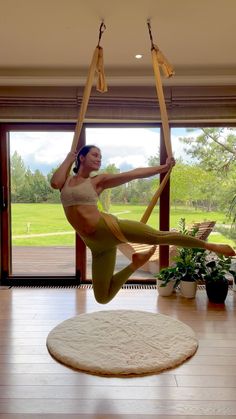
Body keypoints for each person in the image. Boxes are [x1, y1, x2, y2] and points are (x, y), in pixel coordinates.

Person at [51, 144, 235, 304]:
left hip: (109, 228)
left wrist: (163, 167)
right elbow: (55, 182)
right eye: (95, 155)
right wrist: (69, 158)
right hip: (96, 245)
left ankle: (209, 245)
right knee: (102, 297)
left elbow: (133, 174)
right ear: (81, 157)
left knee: (157, 237)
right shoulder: (65, 182)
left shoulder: (97, 181)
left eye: (101, 156)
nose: (99, 159)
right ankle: (135, 264)